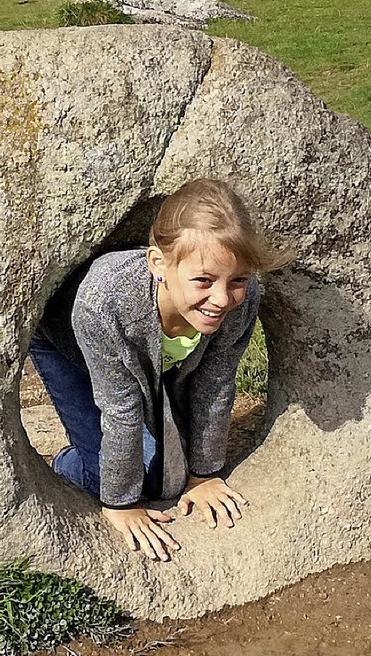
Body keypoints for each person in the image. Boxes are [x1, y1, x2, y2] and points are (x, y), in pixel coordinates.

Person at [29, 179, 290, 561]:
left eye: (237, 279)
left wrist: (204, 475)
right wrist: (121, 504)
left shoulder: (239, 299)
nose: (221, 298)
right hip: (68, 345)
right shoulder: (106, 301)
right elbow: (120, 411)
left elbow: (216, 384)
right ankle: (70, 463)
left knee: (169, 473)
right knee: (130, 474)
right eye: (203, 280)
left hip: (151, 353)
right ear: (158, 265)